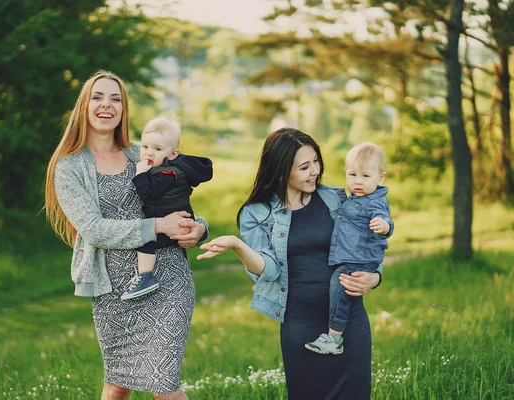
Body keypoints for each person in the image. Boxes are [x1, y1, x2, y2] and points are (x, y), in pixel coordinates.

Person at [44, 70, 207, 400]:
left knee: (163, 382)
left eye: (115, 99)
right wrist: (158, 227)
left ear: (124, 109)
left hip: (167, 280)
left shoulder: (143, 151)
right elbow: (94, 230)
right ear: (84, 106)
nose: (107, 105)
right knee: (118, 384)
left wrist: (199, 227)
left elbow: (177, 199)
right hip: (112, 290)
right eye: (98, 97)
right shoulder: (69, 166)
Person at [197, 128, 382, 400]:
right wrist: (238, 246)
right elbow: (269, 270)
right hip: (300, 322)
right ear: (282, 172)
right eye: (305, 167)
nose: (315, 171)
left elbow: (368, 241)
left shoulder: (335, 198)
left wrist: (375, 277)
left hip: (348, 320)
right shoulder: (257, 213)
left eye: (316, 161)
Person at [305, 142, 393, 355]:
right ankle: (333, 336)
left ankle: (334, 338)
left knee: (340, 285)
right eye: (353, 175)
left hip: (359, 259)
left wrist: (383, 225)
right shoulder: (353, 198)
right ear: (345, 173)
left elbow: (385, 218)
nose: (358, 182)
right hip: (353, 256)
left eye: (365, 176)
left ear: (380, 178)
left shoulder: (374, 201)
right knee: (340, 286)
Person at [121, 116, 213, 300]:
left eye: (157, 149)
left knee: (145, 238)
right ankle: (145, 276)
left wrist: (140, 174)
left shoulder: (167, 173)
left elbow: (149, 194)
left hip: (171, 222)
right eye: (145, 147)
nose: (149, 153)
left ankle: (145, 276)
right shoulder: (163, 169)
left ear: (173, 154)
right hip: (173, 217)